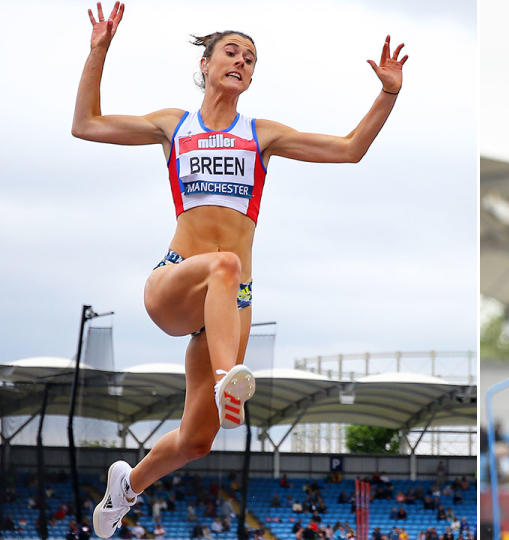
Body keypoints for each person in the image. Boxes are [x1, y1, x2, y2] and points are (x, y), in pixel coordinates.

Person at [76, 3, 407, 536]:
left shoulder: (262, 134)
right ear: (205, 65)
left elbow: (350, 150)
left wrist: (387, 93)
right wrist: (99, 50)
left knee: (197, 441)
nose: (242, 62)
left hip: (232, 303)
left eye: (251, 59)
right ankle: (230, 376)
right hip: (176, 280)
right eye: (231, 52)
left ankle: (127, 487)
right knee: (225, 263)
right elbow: (86, 124)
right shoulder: (172, 126)